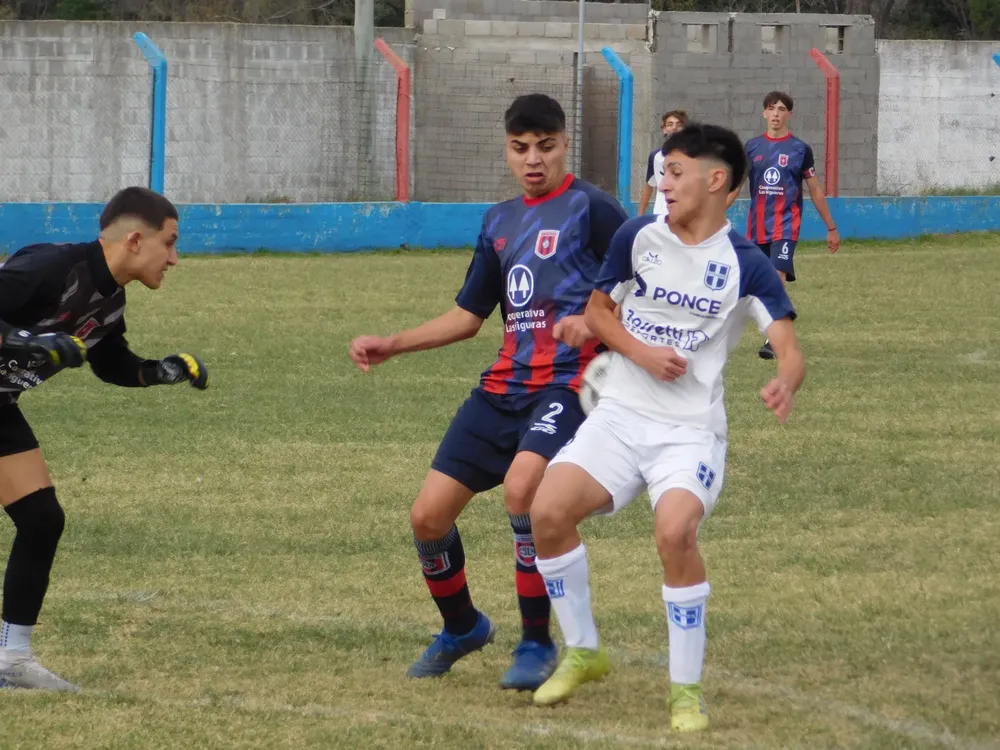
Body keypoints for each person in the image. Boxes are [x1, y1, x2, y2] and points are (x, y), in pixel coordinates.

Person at [527, 123, 806, 732]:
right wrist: (641, 353)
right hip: (620, 415)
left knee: (675, 532)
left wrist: (786, 380)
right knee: (546, 511)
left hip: (689, 432)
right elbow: (600, 311)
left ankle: (686, 692)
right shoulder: (638, 236)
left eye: (676, 172)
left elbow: (788, 346)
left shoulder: (746, 264)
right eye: (663, 172)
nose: (664, 184)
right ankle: (584, 649)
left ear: (717, 180)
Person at [348, 94, 628, 691]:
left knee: (523, 488)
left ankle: (536, 642)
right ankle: (463, 627)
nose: (533, 160)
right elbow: (469, 316)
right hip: (502, 389)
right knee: (427, 517)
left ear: (565, 145)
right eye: (520, 149)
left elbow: (642, 287)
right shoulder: (499, 222)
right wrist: (393, 343)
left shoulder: (595, 209)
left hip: (569, 385)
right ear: (507, 150)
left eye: (545, 147)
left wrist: (599, 324)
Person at [0, 186, 209, 691]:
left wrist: (156, 372)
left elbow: (110, 360)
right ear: (136, 240)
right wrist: (31, 341)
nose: (174, 259)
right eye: (169, 243)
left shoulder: (110, 299)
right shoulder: (53, 266)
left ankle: (11, 659)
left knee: (41, 520)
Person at [742, 91, 839, 359]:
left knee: (777, 277)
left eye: (782, 109)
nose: (776, 114)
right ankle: (780, 323)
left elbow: (815, 189)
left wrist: (831, 228)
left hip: (786, 225)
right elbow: (735, 186)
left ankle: (773, 340)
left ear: (789, 115)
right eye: (772, 108)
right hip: (757, 227)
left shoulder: (800, 149)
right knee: (756, 285)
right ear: (764, 113)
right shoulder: (751, 147)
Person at [638, 110, 688, 217]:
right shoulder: (656, 156)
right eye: (670, 124)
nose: (674, 128)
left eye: (679, 124)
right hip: (661, 214)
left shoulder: (695, 156)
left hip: (687, 215)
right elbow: (649, 186)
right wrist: (640, 216)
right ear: (664, 129)